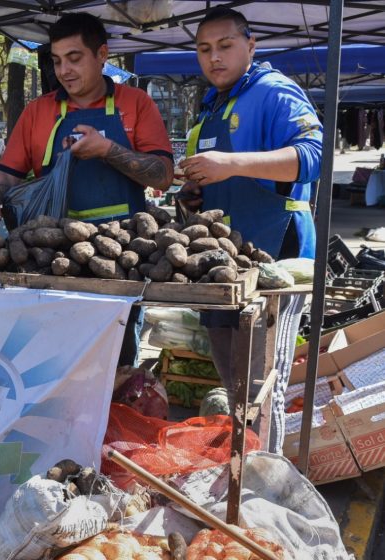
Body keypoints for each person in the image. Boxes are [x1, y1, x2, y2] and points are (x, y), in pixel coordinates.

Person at [0, 13, 174, 366]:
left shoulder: (135, 104)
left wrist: (109, 151)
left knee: (115, 368)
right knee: (50, 365)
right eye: (58, 61)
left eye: (75, 58)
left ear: (102, 54)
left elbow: (163, 175)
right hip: (53, 264)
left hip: (120, 264)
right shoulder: (37, 112)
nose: (64, 71)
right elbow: (9, 173)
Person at [179, 7, 323, 453]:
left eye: (225, 46)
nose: (214, 58)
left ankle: (267, 482)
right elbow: (213, 178)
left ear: (251, 46)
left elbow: (314, 154)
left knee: (261, 387)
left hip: (275, 249)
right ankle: (243, 471)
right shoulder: (211, 106)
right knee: (233, 381)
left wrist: (231, 165)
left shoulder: (274, 91)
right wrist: (193, 194)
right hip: (224, 263)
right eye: (204, 49)